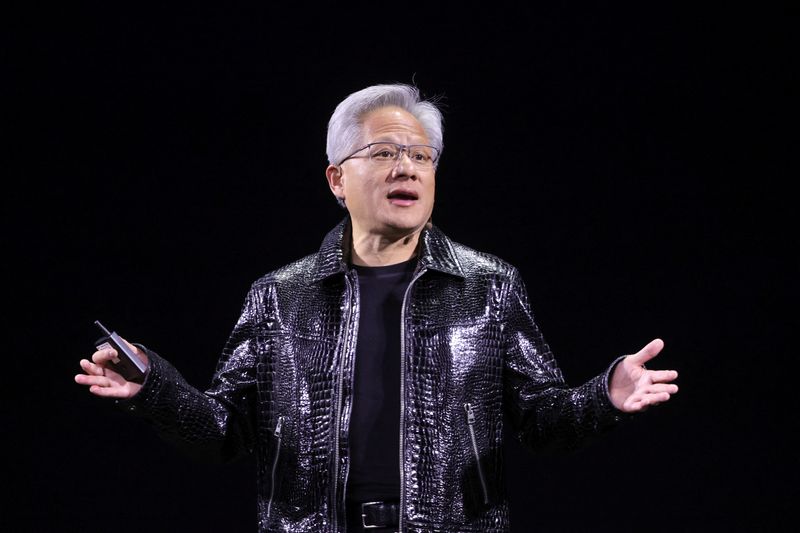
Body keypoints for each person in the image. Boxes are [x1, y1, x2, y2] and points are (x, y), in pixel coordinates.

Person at [75, 83, 679, 533]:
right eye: (385, 152)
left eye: (421, 156)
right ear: (338, 179)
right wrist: (152, 386)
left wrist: (605, 396)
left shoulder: (489, 285)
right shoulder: (279, 296)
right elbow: (226, 434)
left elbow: (542, 425)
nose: (406, 168)